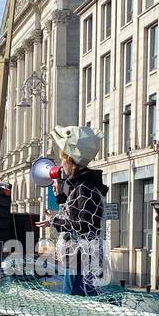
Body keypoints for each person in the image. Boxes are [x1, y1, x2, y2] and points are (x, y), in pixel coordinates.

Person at [47, 125, 107, 297]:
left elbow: (84, 225)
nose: (61, 164)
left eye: (63, 160)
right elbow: (78, 216)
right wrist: (60, 198)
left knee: (76, 306)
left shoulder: (84, 188)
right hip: (79, 260)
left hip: (80, 261)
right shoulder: (83, 186)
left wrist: (54, 221)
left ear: (71, 161)